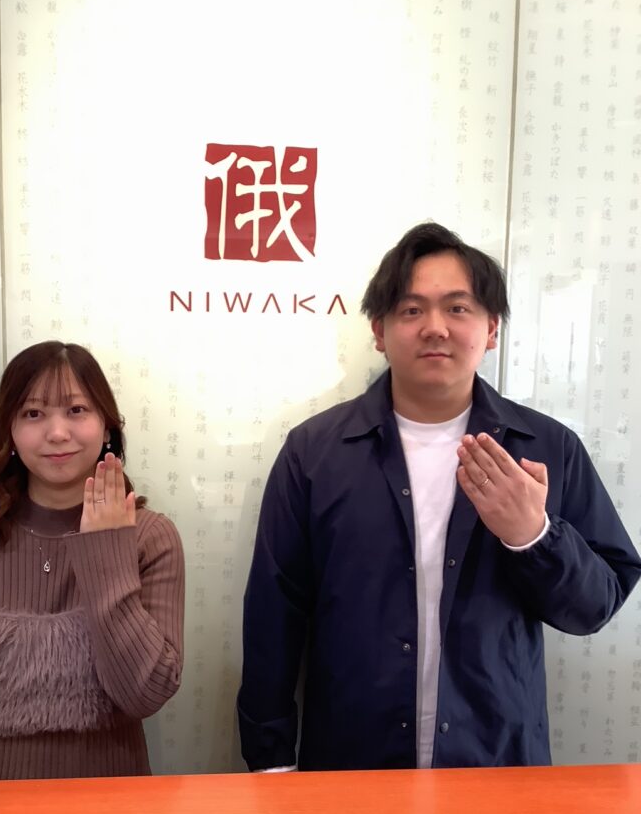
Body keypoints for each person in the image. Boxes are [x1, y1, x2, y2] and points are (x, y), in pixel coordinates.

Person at [238, 222, 641, 772]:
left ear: (491, 328)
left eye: (458, 308)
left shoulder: (546, 447)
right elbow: (274, 612)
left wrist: (535, 537)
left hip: (495, 764)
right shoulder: (315, 451)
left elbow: (594, 607)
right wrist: (271, 762)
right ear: (378, 331)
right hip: (351, 764)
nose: (434, 327)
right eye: (411, 310)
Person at [0, 341, 185, 780]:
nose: (57, 433)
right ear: (11, 431)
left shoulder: (150, 539)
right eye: (33, 413)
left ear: (107, 426)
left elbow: (145, 694)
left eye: (76, 410)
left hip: (114, 808)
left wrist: (107, 550)